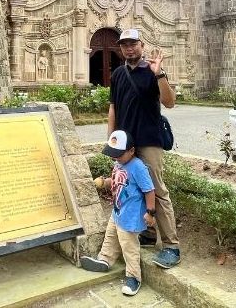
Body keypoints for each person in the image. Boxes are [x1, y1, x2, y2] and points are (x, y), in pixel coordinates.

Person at [108, 28, 180, 269]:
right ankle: (147, 234)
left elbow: (169, 103)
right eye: (124, 44)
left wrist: (159, 75)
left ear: (141, 45)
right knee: (133, 188)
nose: (129, 48)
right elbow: (113, 109)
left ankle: (171, 246)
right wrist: (111, 141)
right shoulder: (118, 74)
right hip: (126, 144)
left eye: (133, 44)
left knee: (157, 190)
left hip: (149, 140)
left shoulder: (153, 72)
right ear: (121, 48)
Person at [81, 130, 156, 296]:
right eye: (113, 154)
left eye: (119, 154)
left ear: (131, 150)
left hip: (130, 217)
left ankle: (133, 277)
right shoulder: (119, 163)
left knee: (129, 248)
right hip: (117, 212)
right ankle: (104, 260)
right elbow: (118, 181)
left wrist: (150, 213)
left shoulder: (137, 166)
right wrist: (105, 182)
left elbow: (149, 190)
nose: (115, 157)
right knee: (110, 238)